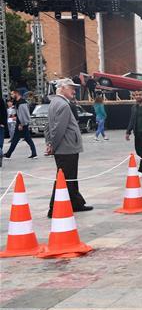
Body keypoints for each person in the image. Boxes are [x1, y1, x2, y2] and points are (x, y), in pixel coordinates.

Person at [45, 78, 91, 216]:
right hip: (66, 147)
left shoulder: (54, 102)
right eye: (71, 87)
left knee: (70, 177)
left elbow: (48, 126)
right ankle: (53, 209)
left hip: (65, 147)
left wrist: (49, 143)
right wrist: (52, 145)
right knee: (64, 178)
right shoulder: (63, 105)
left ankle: (76, 203)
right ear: (62, 88)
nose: (74, 90)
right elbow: (58, 128)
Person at [4, 90, 38, 159]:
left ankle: (8, 154)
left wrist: (21, 124)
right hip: (21, 123)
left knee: (17, 139)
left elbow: (24, 114)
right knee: (24, 139)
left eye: (12, 94)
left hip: (21, 124)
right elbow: (19, 113)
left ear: (17, 94)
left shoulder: (22, 103)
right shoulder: (18, 102)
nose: (11, 96)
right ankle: (34, 153)